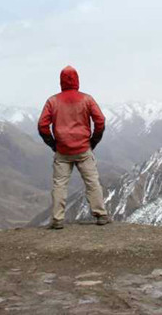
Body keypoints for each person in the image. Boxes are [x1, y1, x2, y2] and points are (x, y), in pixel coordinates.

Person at [37, 65, 109, 229]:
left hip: (62, 151)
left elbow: (42, 125)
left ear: (61, 81)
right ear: (77, 80)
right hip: (83, 149)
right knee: (92, 182)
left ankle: (57, 219)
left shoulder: (53, 101)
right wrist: (93, 141)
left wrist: (53, 143)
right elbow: (100, 121)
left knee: (59, 185)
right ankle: (101, 215)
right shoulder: (87, 99)